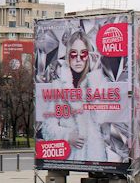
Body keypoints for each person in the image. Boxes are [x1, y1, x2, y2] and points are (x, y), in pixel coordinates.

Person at [40, 30, 108, 161]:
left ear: (89, 55)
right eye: (73, 54)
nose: (78, 59)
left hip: (95, 155)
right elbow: (48, 127)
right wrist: (67, 135)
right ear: (67, 55)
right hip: (69, 155)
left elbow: (101, 117)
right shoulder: (58, 86)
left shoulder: (98, 81)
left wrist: (94, 76)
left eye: (83, 54)